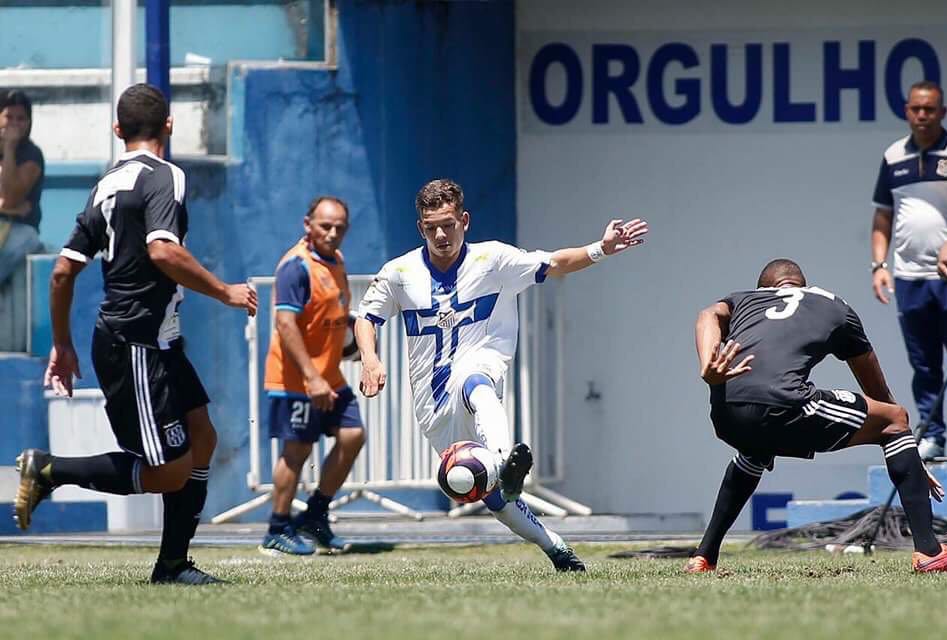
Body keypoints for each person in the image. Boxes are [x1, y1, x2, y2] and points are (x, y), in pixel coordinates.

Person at [12, 83, 258, 585]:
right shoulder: (165, 175)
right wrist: (224, 292)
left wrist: (62, 344)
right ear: (169, 126)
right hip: (136, 343)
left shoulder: (106, 184)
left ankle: (172, 565)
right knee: (168, 469)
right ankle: (49, 469)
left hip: (152, 340)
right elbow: (164, 251)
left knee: (202, 438)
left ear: (117, 130)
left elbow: (62, 273)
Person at [354, 178, 647, 572]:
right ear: (420, 227)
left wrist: (602, 248)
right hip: (432, 405)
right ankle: (555, 547)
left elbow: (556, 264)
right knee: (489, 496)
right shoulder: (399, 272)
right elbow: (366, 318)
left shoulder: (493, 260)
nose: (441, 234)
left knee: (476, 381)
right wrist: (370, 359)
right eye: (430, 227)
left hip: (478, 370)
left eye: (449, 224)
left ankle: (504, 460)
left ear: (465, 220)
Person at [687, 258, 947, 574]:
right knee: (895, 418)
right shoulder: (831, 304)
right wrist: (904, 444)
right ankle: (930, 552)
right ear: (802, 286)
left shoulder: (744, 299)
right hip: (782, 403)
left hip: (727, 412)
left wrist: (707, 365)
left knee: (754, 450)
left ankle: (704, 556)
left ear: (763, 289)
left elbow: (707, 315)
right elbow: (877, 392)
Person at [259, 196, 365, 556]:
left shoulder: (336, 261)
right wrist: (312, 377)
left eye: (339, 227)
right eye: (325, 226)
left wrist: (356, 340)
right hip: (296, 378)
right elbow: (285, 324)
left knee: (353, 435)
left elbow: (334, 314)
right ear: (308, 225)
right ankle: (276, 527)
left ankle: (315, 515)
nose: (333, 233)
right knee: (298, 448)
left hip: (329, 375)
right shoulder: (296, 267)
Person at [870, 80, 947, 460]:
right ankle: (933, 434)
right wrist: (879, 266)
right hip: (909, 277)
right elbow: (883, 215)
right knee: (924, 364)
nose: (923, 116)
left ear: (943, 112)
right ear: (907, 111)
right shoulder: (893, 156)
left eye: (930, 109)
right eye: (916, 109)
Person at [0, 89, 45, 285]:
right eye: (9, 117)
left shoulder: (32, 154)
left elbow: (10, 197)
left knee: (18, 242)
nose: (15, 124)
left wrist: (9, 148)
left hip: (21, 228)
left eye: (21, 119)